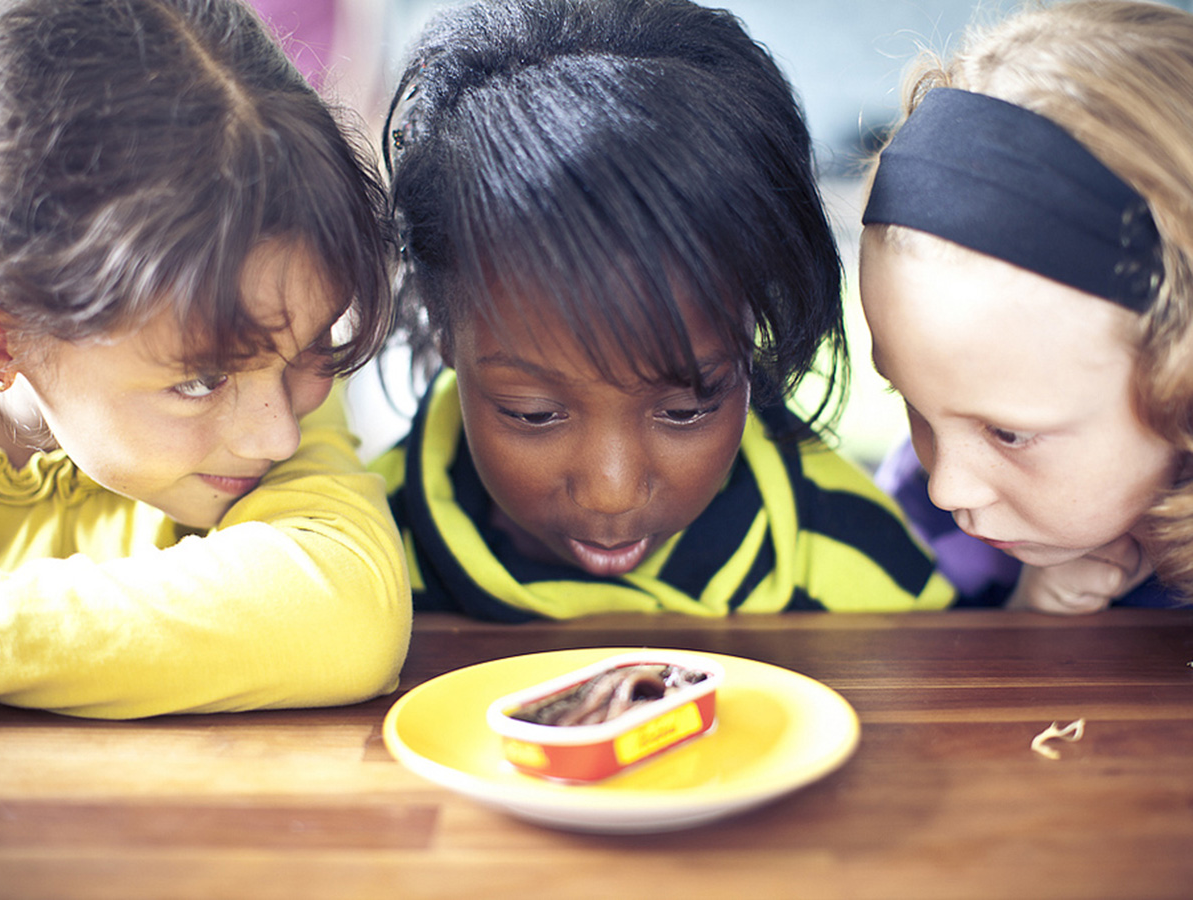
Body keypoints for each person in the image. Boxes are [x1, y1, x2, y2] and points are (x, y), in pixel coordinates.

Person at [371, 0, 954, 621]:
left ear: (753, 319)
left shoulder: (858, 564)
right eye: (535, 415)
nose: (612, 492)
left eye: (686, 410)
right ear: (440, 320)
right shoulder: (365, 566)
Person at [0, 0, 412, 717]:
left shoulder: (264, 352)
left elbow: (346, 615)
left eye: (314, 348)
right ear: (6, 339)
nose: (278, 437)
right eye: (198, 382)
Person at [859, 0, 1193, 614]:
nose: (945, 487)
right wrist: (1025, 617)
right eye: (911, 404)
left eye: (1008, 434)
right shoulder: (913, 516)